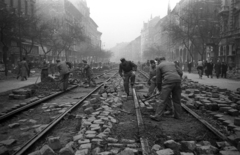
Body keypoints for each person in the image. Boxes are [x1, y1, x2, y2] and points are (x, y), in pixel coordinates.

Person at [150, 57, 183, 121]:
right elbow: (181, 72)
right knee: (177, 100)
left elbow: (158, 80)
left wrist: (160, 89)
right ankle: (177, 115)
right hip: (178, 81)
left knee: (162, 100)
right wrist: (178, 79)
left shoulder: (159, 66)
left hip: (168, 81)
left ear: (159, 61)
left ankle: (157, 116)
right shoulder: (172, 63)